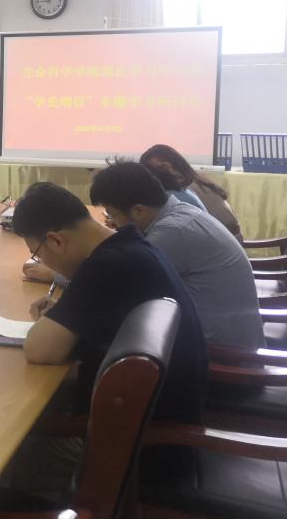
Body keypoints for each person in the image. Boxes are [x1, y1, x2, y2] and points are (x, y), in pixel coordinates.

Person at [13, 182, 208, 426]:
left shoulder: (104, 266)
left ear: (56, 241)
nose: (42, 261)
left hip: (140, 434)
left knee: (21, 423)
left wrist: (52, 322)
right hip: (161, 410)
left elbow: (39, 350)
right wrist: (63, 316)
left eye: (37, 253)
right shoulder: (130, 245)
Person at [26, 162, 262, 350]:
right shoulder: (178, 214)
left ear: (138, 210)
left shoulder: (170, 234)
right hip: (212, 334)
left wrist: (56, 280)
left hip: (224, 353)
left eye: (112, 215)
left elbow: (109, 283)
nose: (112, 224)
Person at [142, 142, 243, 241]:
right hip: (230, 240)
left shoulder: (179, 191)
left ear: (170, 168)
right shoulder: (199, 182)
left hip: (218, 240)